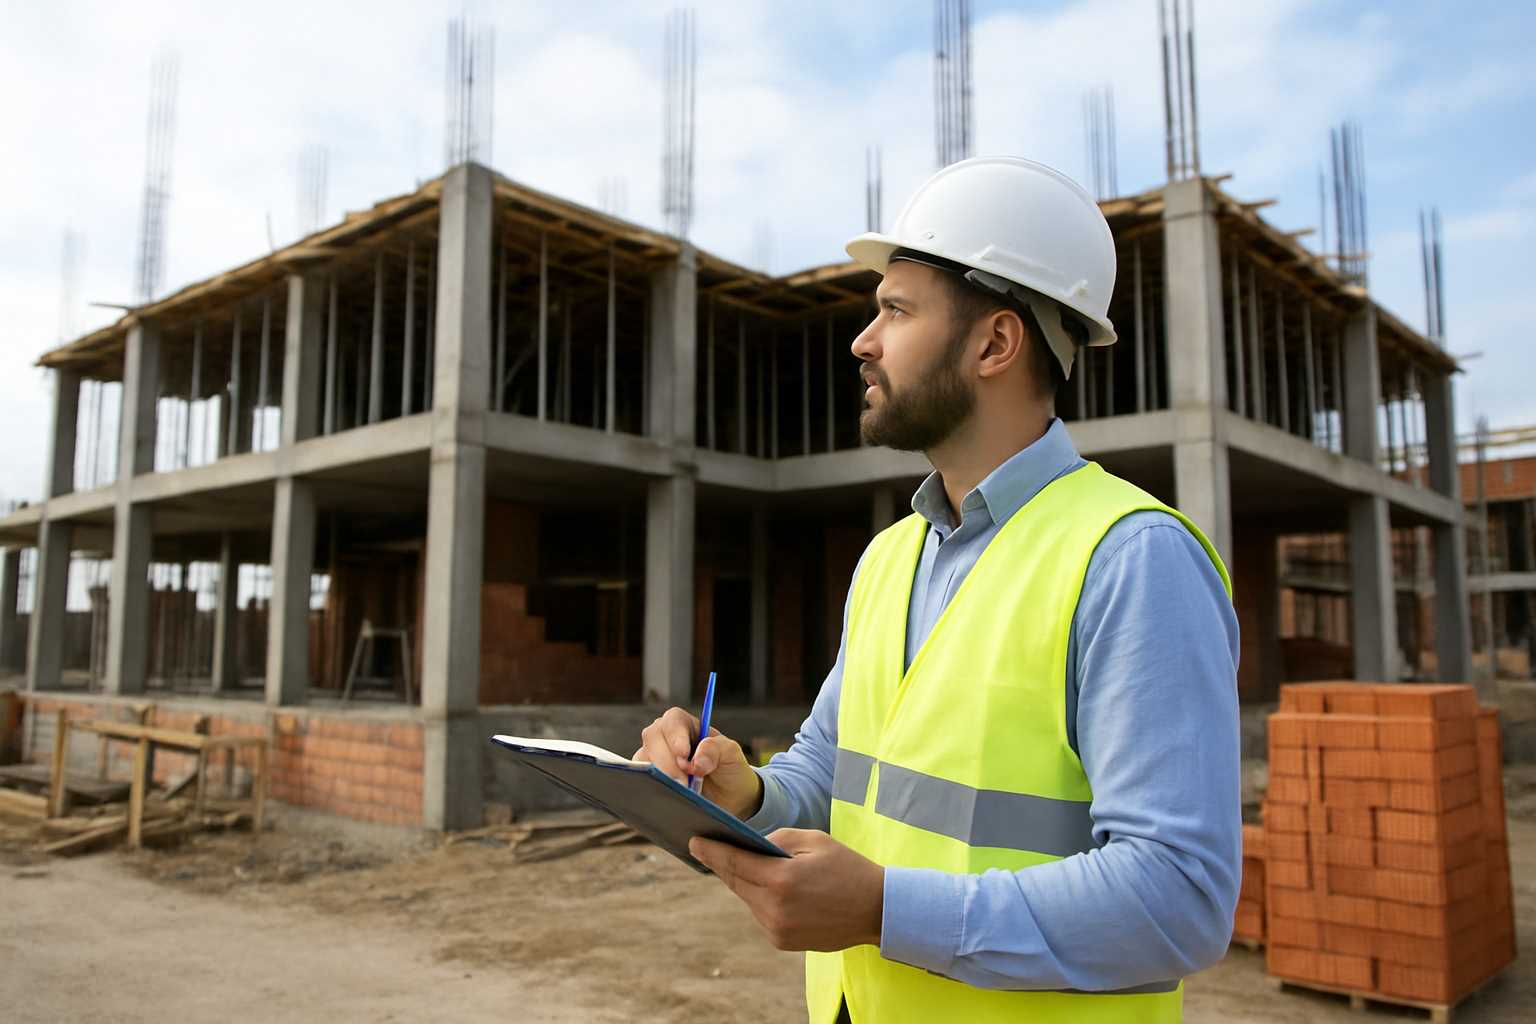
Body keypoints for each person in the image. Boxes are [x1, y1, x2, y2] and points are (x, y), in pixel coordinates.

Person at [635, 156, 1240, 1023]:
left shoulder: (1131, 559)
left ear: (995, 342)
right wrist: (748, 793)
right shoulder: (889, 556)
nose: (862, 340)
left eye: (895, 309)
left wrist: (884, 910)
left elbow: (1179, 898)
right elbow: (835, 768)